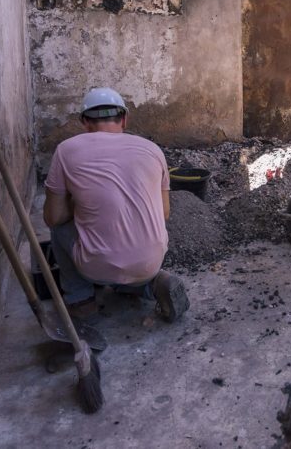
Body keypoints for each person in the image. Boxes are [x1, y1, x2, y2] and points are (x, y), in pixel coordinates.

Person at [43, 87, 190, 322]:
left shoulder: (66, 150)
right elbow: (164, 213)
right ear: (124, 119)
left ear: (85, 122)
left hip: (95, 267)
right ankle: (152, 284)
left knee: (59, 229)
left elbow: (52, 216)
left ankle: (81, 300)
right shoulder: (153, 150)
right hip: (149, 262)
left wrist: (78, 203)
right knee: (140, 227)